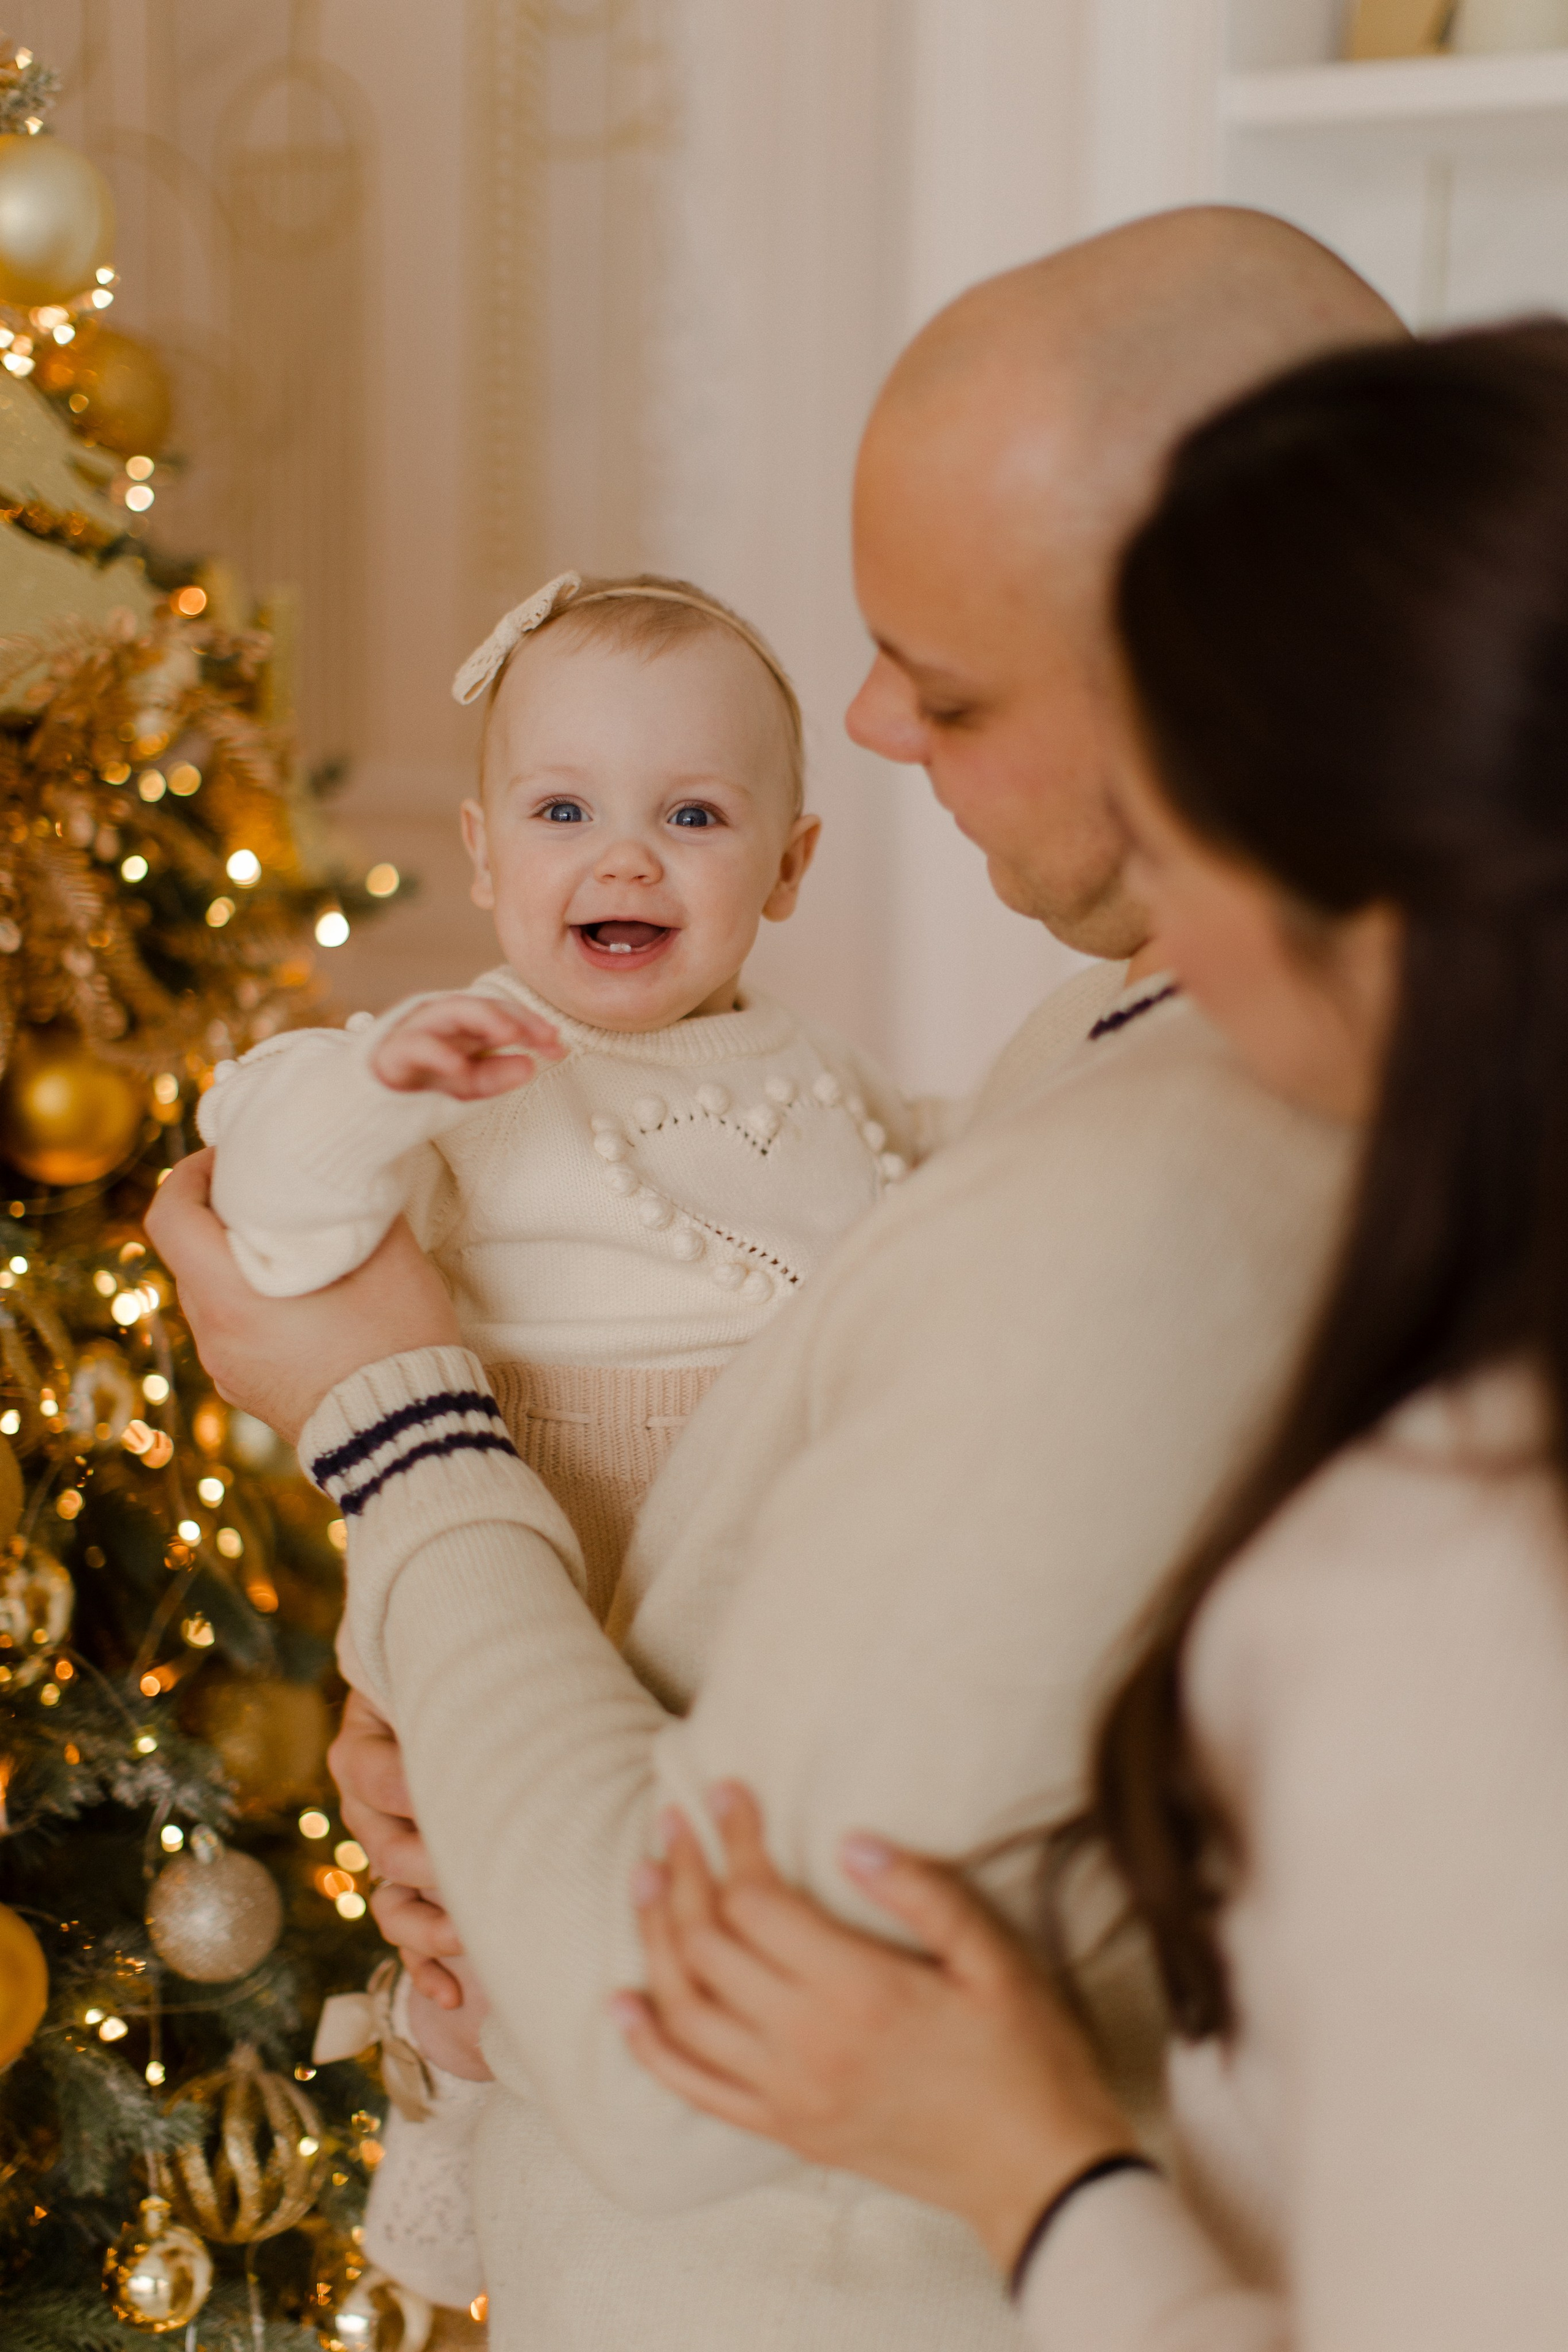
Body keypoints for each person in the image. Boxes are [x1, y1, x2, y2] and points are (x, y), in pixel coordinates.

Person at [149, 208, 1400, 2352]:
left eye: (954, 673)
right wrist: (468, 1709)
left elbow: (665, 2027)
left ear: (1222, 665)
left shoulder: (1178, 1169)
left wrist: (388, 1420)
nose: (874, 717)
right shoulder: (1113, 1022)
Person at [614, 321, 1568, 2352]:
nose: (1159, 922)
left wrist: (1039, 2169)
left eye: (1180, 817)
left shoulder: (1466, 1582)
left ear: (1379, 907)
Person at [200, 568, 951, 2307]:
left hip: (753, 1574)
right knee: (493, 1901)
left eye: (692, 815)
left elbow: (946, 1184)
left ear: (789, 864)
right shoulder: (463, 1071)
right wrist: (378, 1088)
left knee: (711, 1883)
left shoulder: (817, 1072)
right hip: (529, 1535)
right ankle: (487, 2145)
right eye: (565, 812)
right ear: (480, 854)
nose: (624, 858)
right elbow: (279, 1220)